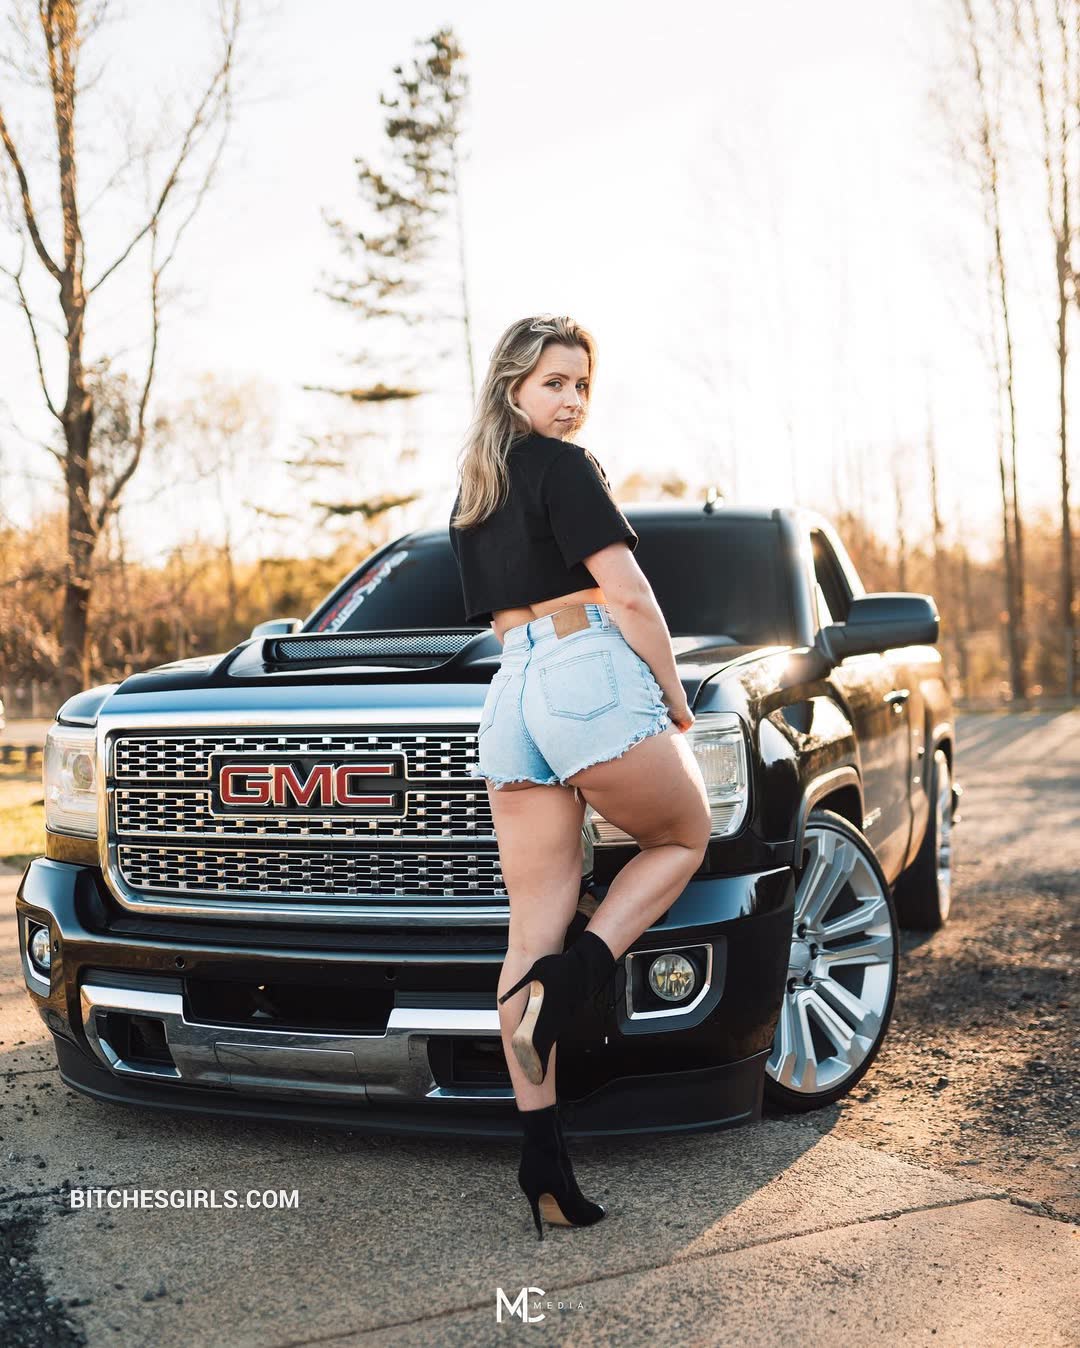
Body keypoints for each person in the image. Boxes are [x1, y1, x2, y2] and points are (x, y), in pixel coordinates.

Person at [448, 314, 711, 1239]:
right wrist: (672, 695)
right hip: (582, 668)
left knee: (531, 926)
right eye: (555, 383)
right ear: (514, 385)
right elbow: (628, 594)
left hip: (509, 688)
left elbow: (495, 616)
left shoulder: (475, 488)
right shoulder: (566, 467)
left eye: (582, 386)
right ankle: (582, 977)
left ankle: (544, 1163)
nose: (572, 402)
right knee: (682, 836)